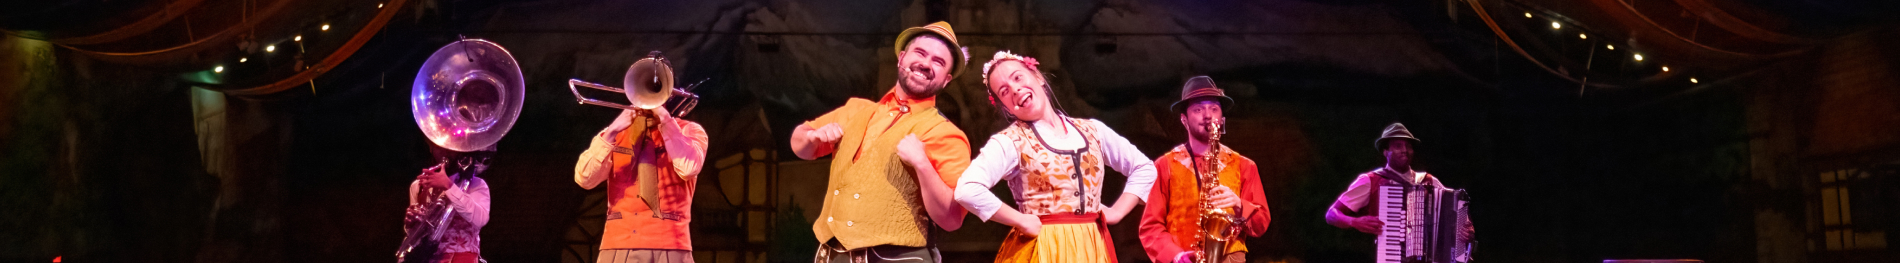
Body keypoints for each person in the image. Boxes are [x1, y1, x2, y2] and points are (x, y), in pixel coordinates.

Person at [788, 21, 972, 263]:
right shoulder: (856, 110)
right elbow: (800, 144)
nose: (926, 63)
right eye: (920, 53)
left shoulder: (946, 134)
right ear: (902, 58)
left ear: (946, 80)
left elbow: (951, 219)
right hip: (833, 255)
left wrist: (923, 165)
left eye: (938, 62)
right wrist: (812, 137)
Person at [954, 50, 1157, 263]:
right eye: (1004, 91)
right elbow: (967, 189)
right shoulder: (1010, 141)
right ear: (1006, 107)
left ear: (1038, 77)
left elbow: (1144, 168)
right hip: (1044, 248)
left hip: (1092, 246)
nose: (1014, 89)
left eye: (1017, 77)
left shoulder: (1093, 131)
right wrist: (1021, 220)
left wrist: (1117, 212)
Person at [1137, 76, 1271, 263]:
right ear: (1184, 120)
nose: (1207, 115)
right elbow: (1150, 227)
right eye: (1198, 109)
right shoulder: (1164, 165)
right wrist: (1175, 255)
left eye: (1214, 109)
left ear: (1222, 119)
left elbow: (1262, 222)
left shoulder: (1245, 165)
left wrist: (1239, 204)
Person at [573, 104, 710, 263]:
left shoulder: (688, 130)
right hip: (617, 245)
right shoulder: (615, 133)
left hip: (670, 246)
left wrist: (665, 120)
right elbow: (584, 179)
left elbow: (689, 169)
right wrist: (612, 131)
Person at [1323, 122, 1474, 261]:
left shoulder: (1428, 181)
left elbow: (1457, 214)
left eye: (1408, 146)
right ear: (1385, 152)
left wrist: (1467, 228)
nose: (1405, 150)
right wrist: (1354, 221)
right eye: (1398, 146)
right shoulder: (1371, 180)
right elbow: (1331, 214)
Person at [403, 147, 493, 263]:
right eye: (439, 146)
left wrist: (448, 186)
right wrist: (411, 225)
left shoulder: (477, 184)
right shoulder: (418, 186)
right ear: (431, 148)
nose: (445, 152)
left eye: (451, 147)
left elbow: (481, 219)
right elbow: (417, 236)